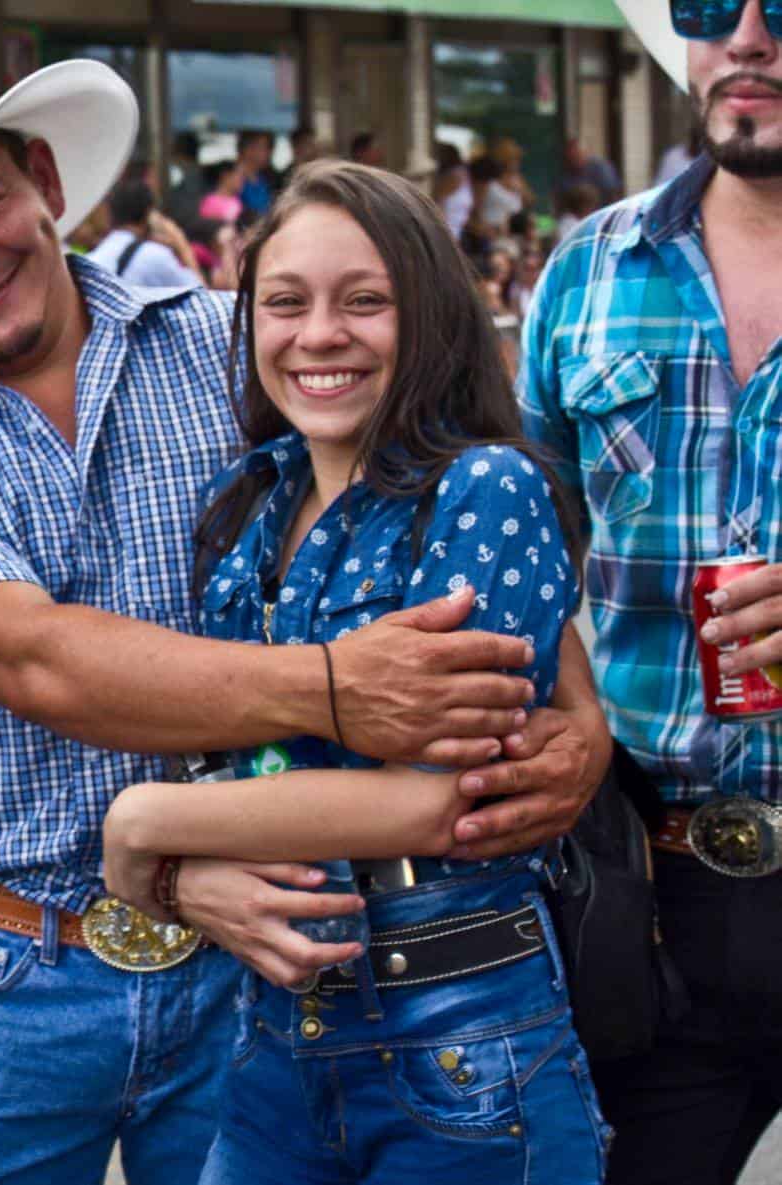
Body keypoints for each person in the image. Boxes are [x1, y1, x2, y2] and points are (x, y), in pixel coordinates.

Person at [0, 28, 608, 1185]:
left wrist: (576, 709)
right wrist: (340, 694)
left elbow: (436, 501)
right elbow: (34, 661)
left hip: (266, 958)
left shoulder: (237, 344)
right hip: (20, 970)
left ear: (44, 182)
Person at [103, 160, 607, 1184]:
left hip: (469, 1044)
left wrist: (141, 829)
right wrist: (182, 852)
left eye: (364, 301)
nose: (319, 334)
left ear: (428, 317)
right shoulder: (250, 499)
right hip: (273, 1040)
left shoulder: (485, 486)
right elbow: (244, 765)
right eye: (285, 302)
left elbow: (436, 803)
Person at [519, 2, 782, 1180]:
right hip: (653, 901)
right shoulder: (588, 272)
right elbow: (526, 561)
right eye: (707, 5)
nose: (746, 40)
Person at [85, 179, 202, 288]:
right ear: (149, 214)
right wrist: (182, 245)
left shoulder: (94, 256)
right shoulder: (155, 255)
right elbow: (200, 295)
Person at [559, 136, 623, 207]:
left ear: (585, 153)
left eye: (577, 155)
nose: (574, 161)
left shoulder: (600, 168)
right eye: (571, 157)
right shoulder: (566, 173)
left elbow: (614, 193)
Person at [433, 140, 474, 238]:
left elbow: (438, 202)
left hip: (449, 232)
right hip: (448, 232)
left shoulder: (457, 174)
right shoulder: (459, 174)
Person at [235, 129, 277, 217]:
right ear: (248, 149)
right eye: (264, 147)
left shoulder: (265, 178)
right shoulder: (233, 179)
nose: (269, 153)